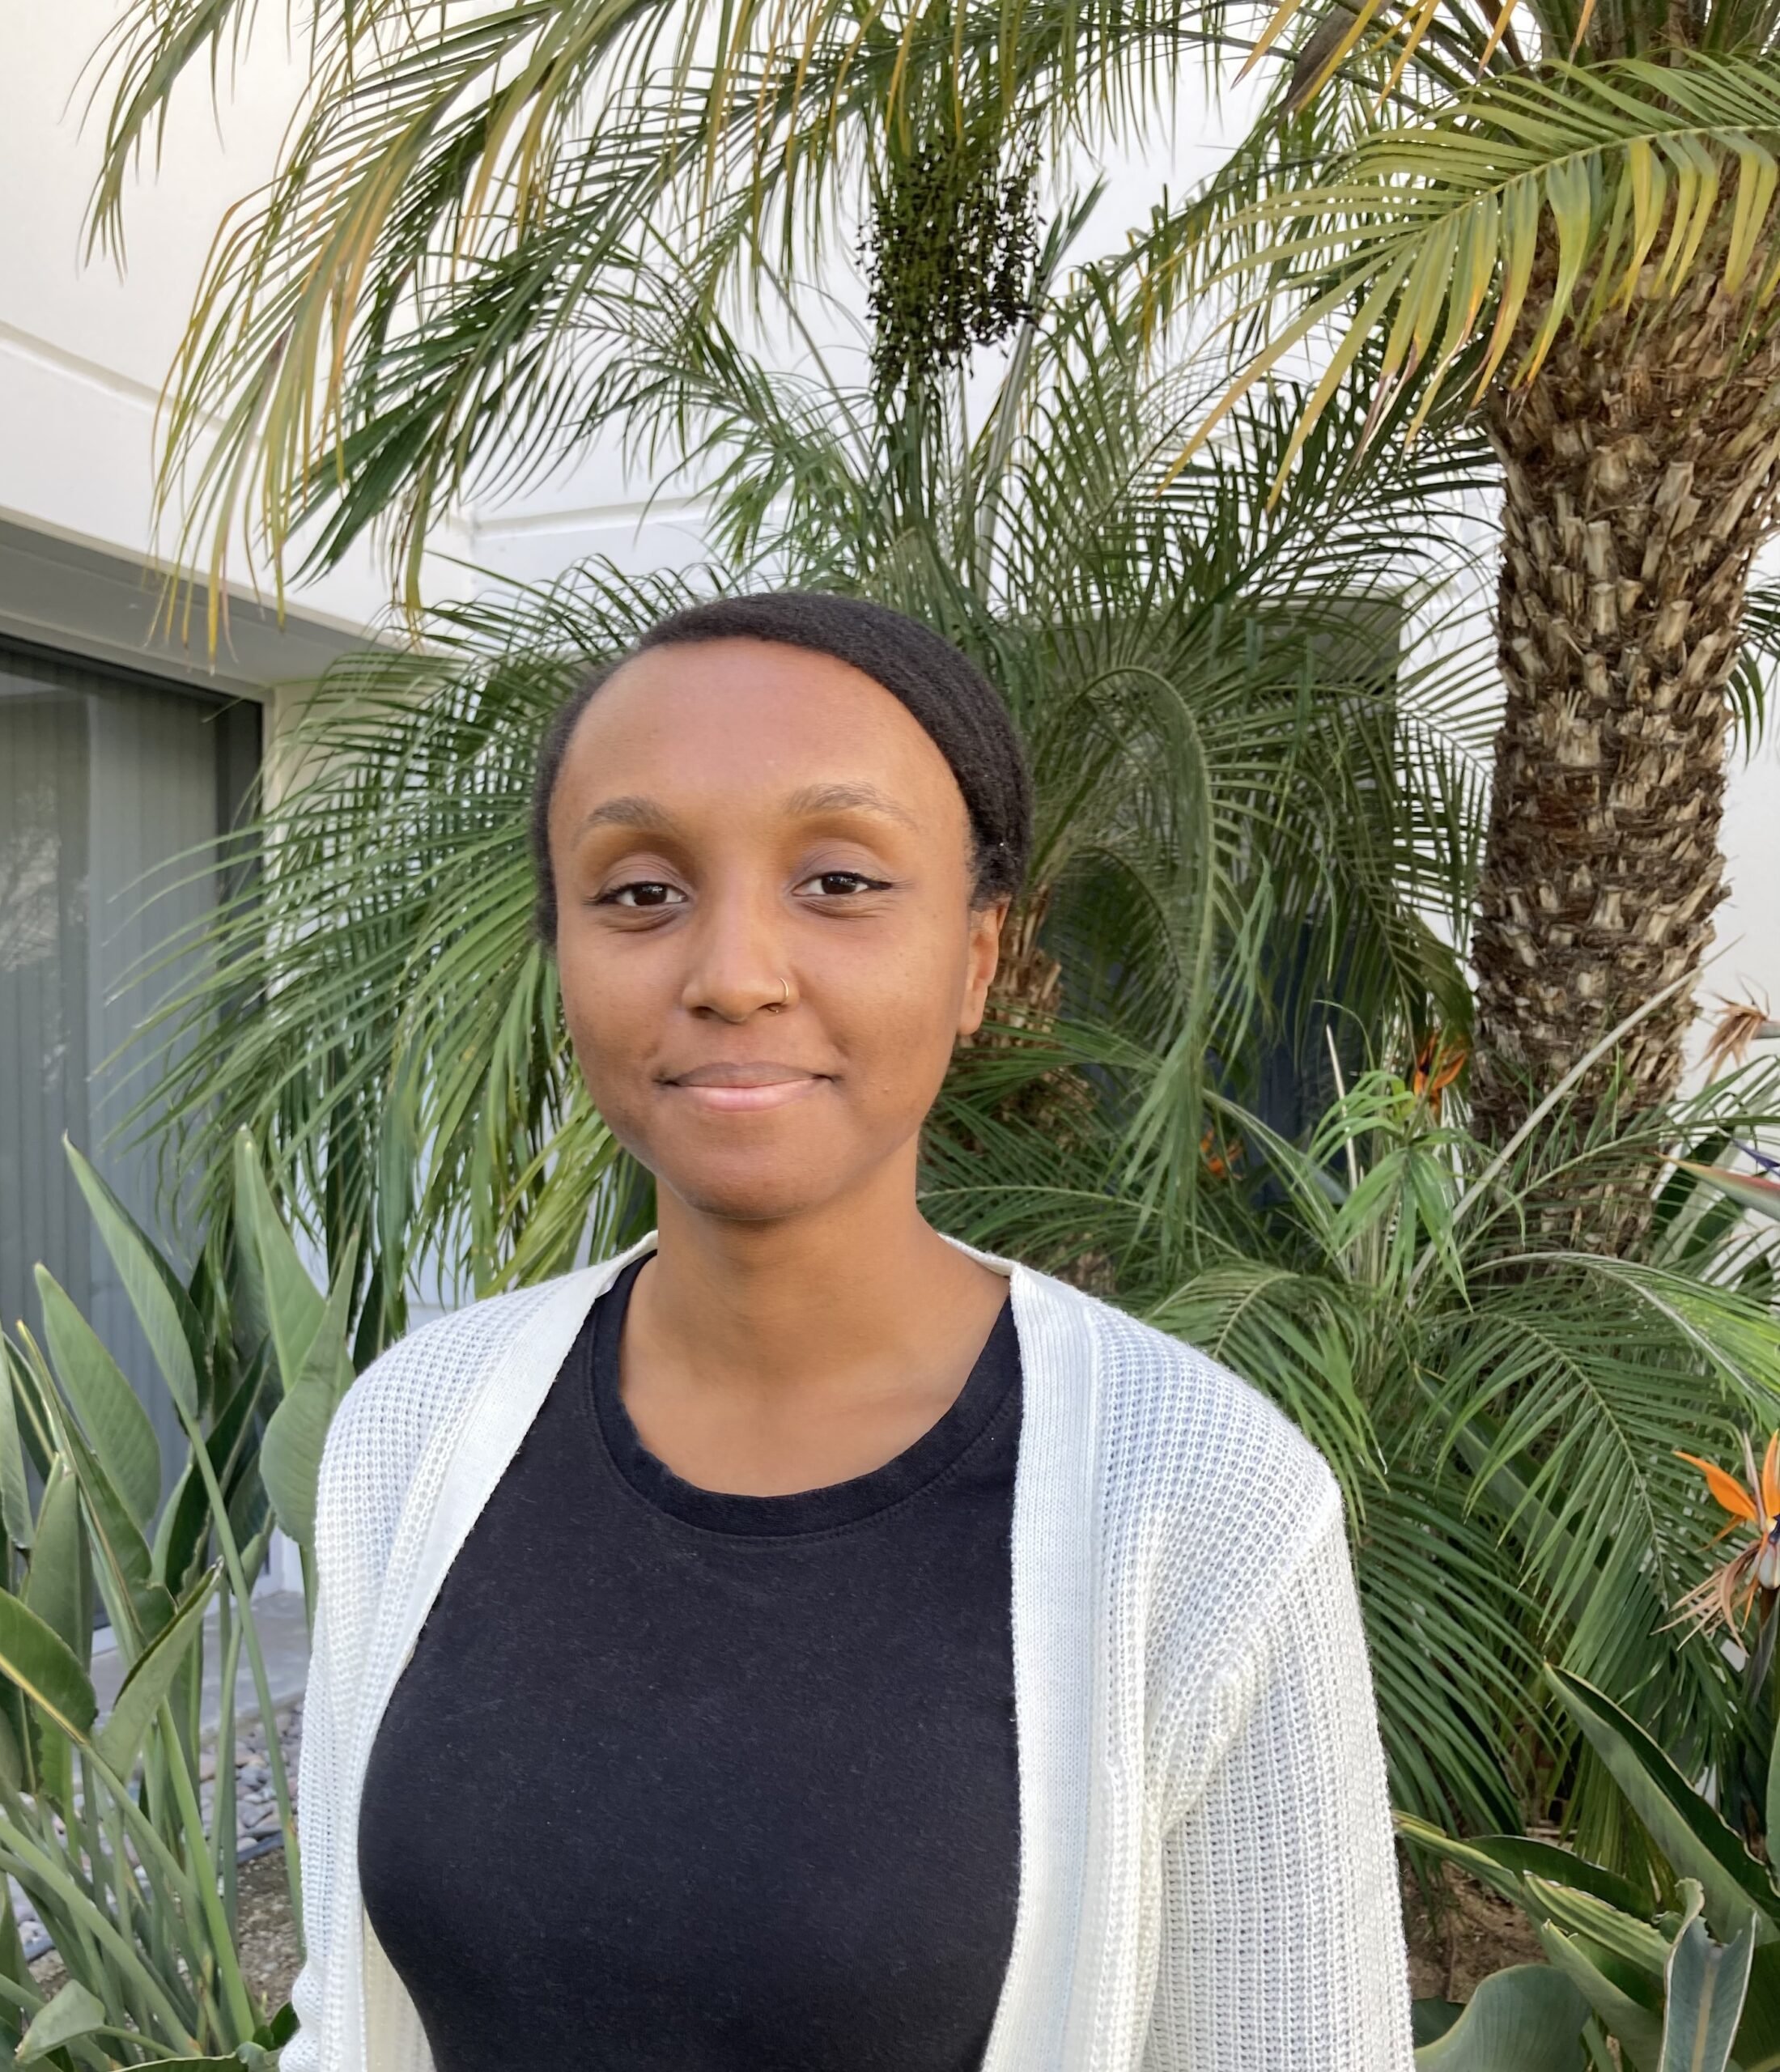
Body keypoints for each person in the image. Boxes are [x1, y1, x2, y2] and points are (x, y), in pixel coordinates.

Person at [282, 592, 1416, 2072]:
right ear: (561, 948)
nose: (734, 971)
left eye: (838, 879)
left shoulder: (1199, 1502)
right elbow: (339, 2018)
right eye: (638, 892)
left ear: (978, 959)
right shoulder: (412, 1433)